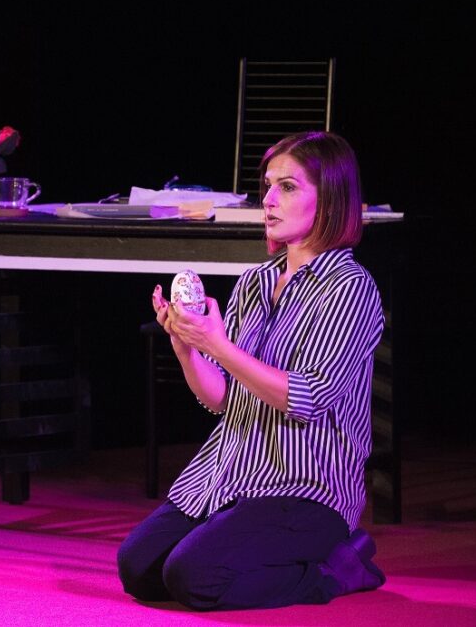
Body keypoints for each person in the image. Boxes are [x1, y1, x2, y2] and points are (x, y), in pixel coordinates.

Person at [117, 131, 387, 610]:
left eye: (288, 187)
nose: (269, 199)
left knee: (193, 576)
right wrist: (187, 347)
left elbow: (306, 398)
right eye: (268, 186)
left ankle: (335, 571)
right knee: (137, 567)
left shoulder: (350, 288)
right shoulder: (255, 282)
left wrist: (217, 345)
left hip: (306, 488)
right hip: (230, 476)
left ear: (329, 198)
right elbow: (223, 398)